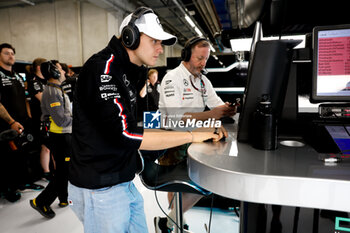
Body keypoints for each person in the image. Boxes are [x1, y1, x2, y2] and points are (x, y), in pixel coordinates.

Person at [68, 7, 224, 233]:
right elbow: (126, 133)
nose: (160, 50)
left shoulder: (131, 72)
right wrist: (192, 135)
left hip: (123, 181)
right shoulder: (103, 70)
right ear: (130, 37)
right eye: (155, 41)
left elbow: (142, 123)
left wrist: (199, 129)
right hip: (100, 187)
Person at [156, 36, 237, 232]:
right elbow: (175, 116)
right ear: (186, 55)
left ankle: (170, 221)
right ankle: (173, 221)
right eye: (199, 58)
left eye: (206, 59)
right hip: (172, 140)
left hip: (196, 138)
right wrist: (211, 114)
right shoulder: (172, 78)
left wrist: (227, 109)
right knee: (176, 185)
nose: (203, 63)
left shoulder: (203, 81)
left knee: (205, 183)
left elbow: (215, 102)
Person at [0, 43, 44, 202]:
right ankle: (8, 189)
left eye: (12, 53)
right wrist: (11, 121)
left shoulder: (18, 76)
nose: (11, 56)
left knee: (23, 154)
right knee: (8, 158)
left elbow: (25, 98)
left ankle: (23, 183)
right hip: (6, 125)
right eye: (7, 53)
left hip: (23, 122)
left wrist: (29, 117)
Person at [30, 60, 72, 219]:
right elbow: (61, 120)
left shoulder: (56, 89)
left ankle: (63, 198)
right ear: (54, 73)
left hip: (62, 135)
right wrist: (80, 120)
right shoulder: (52, 92)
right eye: (61, 70)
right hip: (61, 136)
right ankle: (41, 201)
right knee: (63, 172)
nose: (64, 73)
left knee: (62, 170)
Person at [27, 57, 53, 181]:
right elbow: (44, 99)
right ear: (39, 67)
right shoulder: (34, 81)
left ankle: (53, 170)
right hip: (40, 118)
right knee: (45, 146)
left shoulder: (47, 81)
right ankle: (46, 172)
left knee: (53, 146)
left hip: (51, 118)